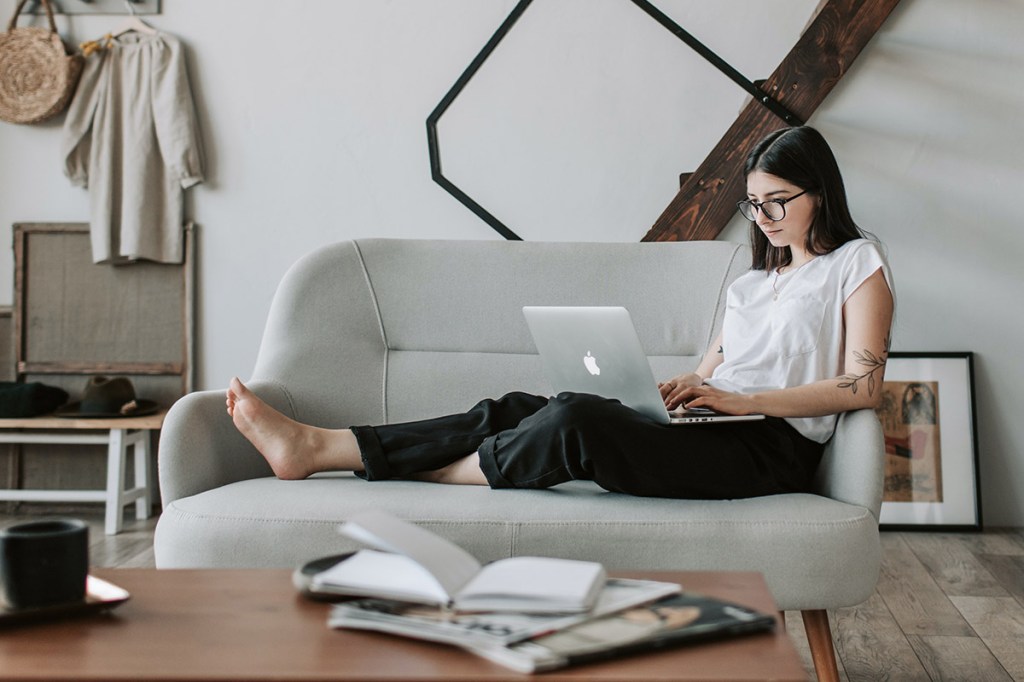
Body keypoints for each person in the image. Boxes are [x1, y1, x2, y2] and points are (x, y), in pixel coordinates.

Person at [226, 125, 894, 500]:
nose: (764, 218)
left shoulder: (856, 264)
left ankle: (438, 472)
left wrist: (743, 400)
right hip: (711, 429)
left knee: (574, 422)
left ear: (819, 191)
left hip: (767, 452)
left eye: (778, 200)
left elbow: (863, 387)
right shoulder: (752, 282)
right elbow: (710, 370)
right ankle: (318, 446)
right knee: (524, 405)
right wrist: (680, 394)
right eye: (754, 204)